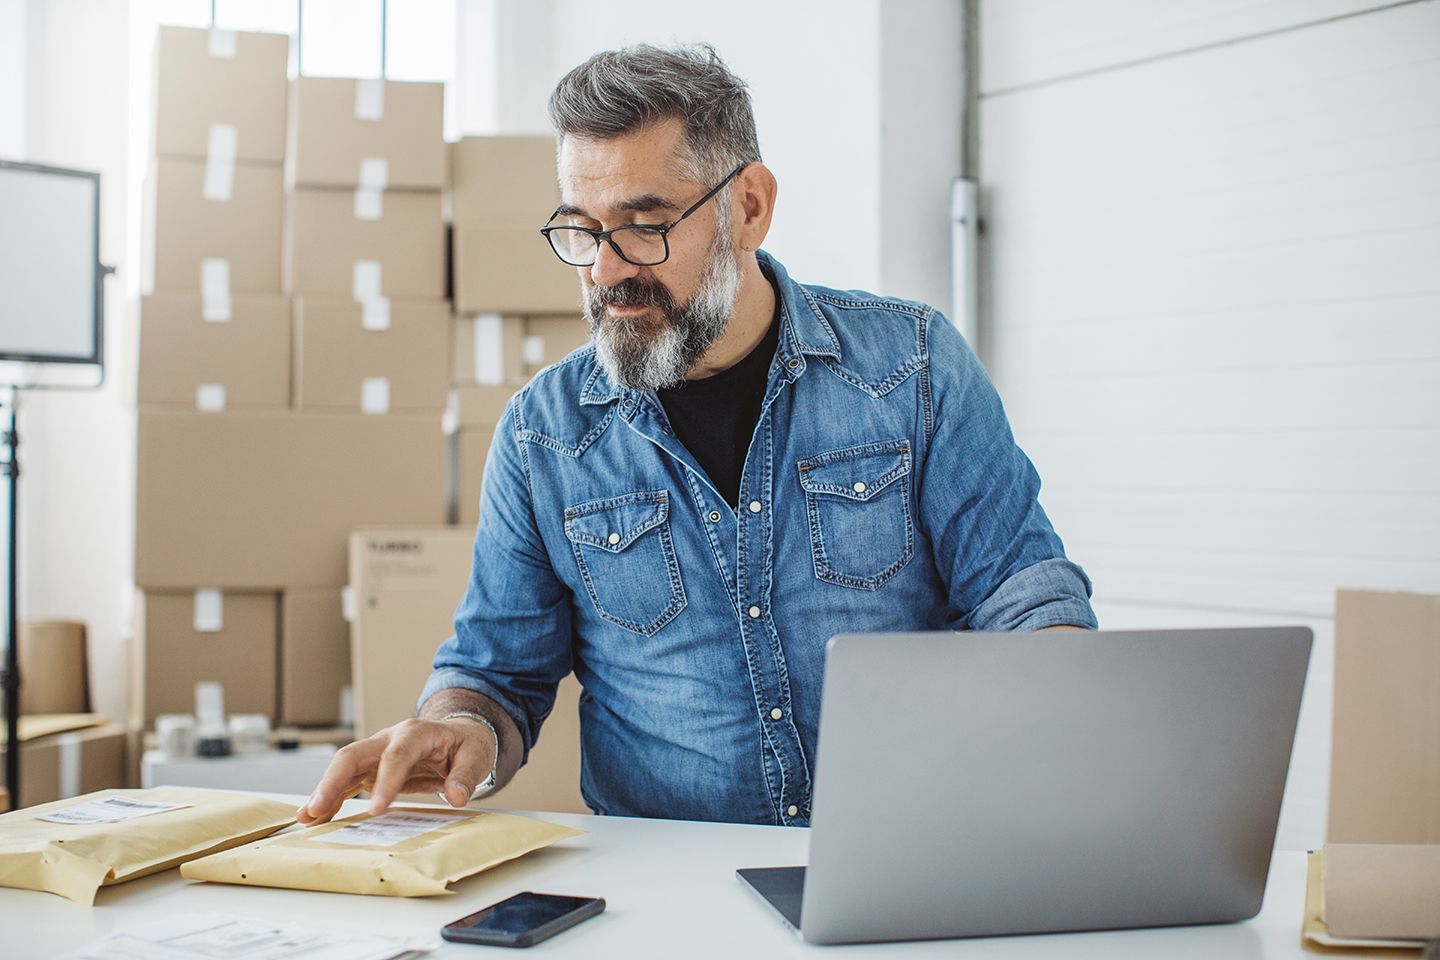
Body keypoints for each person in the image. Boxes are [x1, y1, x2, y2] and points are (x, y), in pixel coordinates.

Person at [298, 43, 1096, 829]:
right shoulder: (544, 436)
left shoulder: (913, 367)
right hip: (668, 890)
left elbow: (1018, 592)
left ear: (748, 206)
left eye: (645, 226)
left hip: (907, 857)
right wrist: (463, 725)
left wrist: (1067, 688)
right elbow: (496, 672)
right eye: (582, 229)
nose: (606, 271)